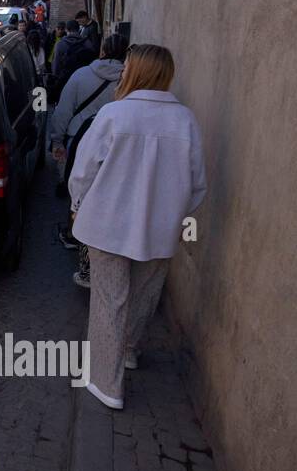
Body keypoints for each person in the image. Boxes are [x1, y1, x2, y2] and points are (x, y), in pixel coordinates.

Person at [69, 45, 206, 411]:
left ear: (137, 72)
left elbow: (84, 171)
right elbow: (197, 185)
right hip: (159, 229)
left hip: (107, 224)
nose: (123, 70)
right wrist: (171, 214)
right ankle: (128, 351)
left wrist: (77, 205)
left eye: (127, 66)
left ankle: (106, 383)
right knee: (145, 295)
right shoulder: (186, 121)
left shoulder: (115, 114)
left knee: (109, 301)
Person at [50, 32, 129, 217]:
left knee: (78, 184)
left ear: (103, 50)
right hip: (113, 143)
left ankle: (73, 227)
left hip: (77, 137)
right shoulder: (128, 81)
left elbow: (64, 111)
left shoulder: (81, 74)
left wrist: (57, 140)